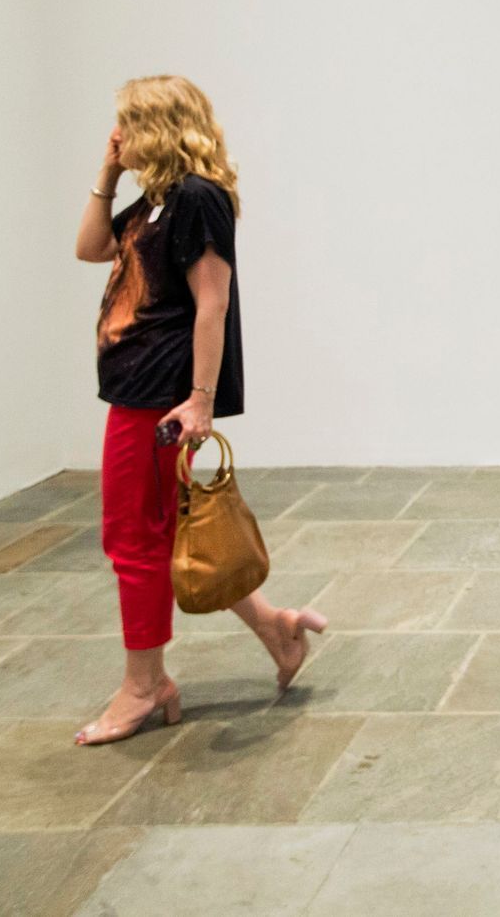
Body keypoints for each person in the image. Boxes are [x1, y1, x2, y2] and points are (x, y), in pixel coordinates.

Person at [71, 74, 326, 746]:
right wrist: (106, 171)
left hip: (161, 396)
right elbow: (90, 247)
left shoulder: (196, 198)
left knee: (134, 543)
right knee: (163, 535)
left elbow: (212, 302)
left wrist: (200, 401)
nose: (116, 134)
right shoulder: (156, 201)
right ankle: (276, 628)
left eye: (124, 124)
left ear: (154, 124)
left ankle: (143, 686)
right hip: (137, 390)